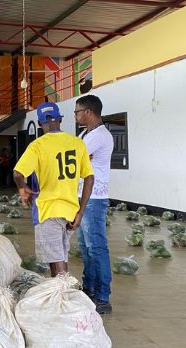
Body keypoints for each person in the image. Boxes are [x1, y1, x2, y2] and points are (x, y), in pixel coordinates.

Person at [13, 102, 94, 278]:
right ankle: (61, 296)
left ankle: (64, 299)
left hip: (49, 211)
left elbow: (18, 174)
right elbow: (89, 177)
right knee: (59, 258)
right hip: (71, 211)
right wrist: (80, 212)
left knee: (58, 266)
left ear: (40, 124)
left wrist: (22, 189)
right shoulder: (77, 143)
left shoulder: (38, 145)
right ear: (60, 119)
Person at [74, 94, 114, 314]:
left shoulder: (100, 136)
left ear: (88, 112)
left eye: (78, 111)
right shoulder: (84, 134)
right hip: (82, 196)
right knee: (85, 246)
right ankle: (89, 287)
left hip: (95, 198)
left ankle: (102, 296)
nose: (77, 115)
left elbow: (77, 158)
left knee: (96, 246)